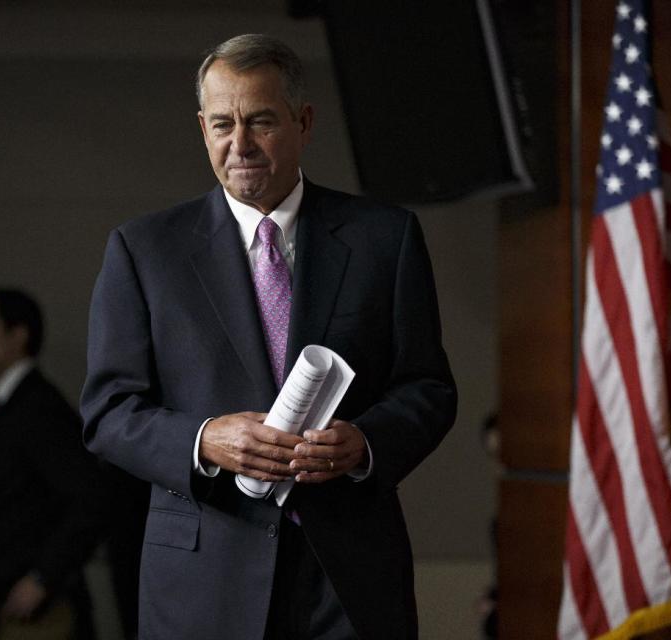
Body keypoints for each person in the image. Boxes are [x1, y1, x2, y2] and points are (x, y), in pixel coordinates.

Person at [80, 34, 458, 640]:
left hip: (349, 578)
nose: (241, 144)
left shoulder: (385, 239)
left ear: (304, 122)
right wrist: (206, 440)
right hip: (205, 576)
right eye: (223, 124)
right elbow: (107, 413)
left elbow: (428, 387)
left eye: (260, 121)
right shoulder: (144, 250)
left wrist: (363, 442)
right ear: (202, 127)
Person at [0, 288, 117, 639]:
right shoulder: (16, 406)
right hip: (4, 609)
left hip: (39, 617)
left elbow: (95, 497)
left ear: (18, 334)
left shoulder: (38, 409)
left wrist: (43, 577)